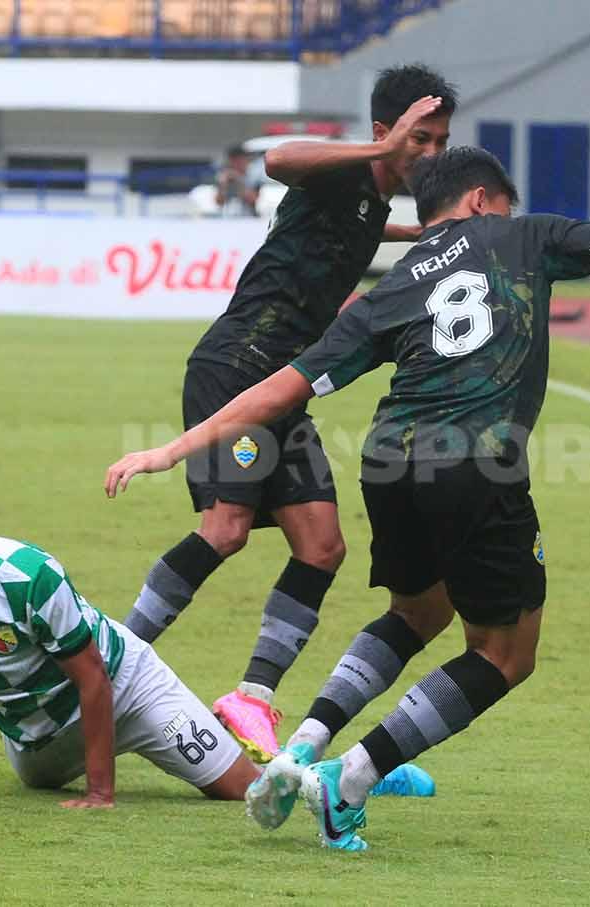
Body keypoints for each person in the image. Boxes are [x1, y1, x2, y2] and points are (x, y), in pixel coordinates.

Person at [102, 146, 590, 850]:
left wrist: (171, 449)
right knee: (505, 653)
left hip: (387, 462)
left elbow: (284, 386)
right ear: (484, 200)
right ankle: (351, 777)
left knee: (418, 610)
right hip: (475, 465)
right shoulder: (526, 236)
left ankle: (304, 744)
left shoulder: (393, 287)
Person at [115, 64, 457, 765]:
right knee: (227, 528)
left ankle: (252, 695)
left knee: (323, 545)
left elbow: (374, 222)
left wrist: (435, 233)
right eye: (419, 138)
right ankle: (113, 660)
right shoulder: (343, 173)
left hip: (285, 387)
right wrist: (380, 154)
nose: (429, 153)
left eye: (440, 141)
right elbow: (275, 160)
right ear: (384, 132)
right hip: (237, 367)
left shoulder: (370, 201)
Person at [0, 476, 433, 808]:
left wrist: (100, 792)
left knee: (248, 792)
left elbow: (93, 678)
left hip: (126, 688)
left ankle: (353, 773)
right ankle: (210, 727)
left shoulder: (24, 576)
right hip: (36, 743)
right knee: (34, 779)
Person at [214, 145, 261, 217]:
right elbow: (218, 202)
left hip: (249, 218)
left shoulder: (253, 177)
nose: (239, 163)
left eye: (241, 160)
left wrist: (238, 181)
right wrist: (223, 185)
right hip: (226, 218)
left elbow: (254, 200)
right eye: (235, 160)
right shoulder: (223, 176)